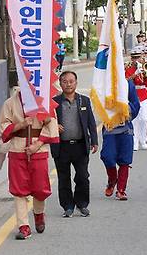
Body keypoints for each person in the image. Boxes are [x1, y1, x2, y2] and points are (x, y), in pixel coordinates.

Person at [0, 91, 59, 240]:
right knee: (19, 190)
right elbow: (4, 125)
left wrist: (37, 144)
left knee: (40, 188)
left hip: (38, 150)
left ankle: (39, 214)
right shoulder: (10, 103)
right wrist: (21, 124)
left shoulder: (44, 101)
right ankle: (23, 226)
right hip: (17, 150)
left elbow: (52, 122)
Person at [51, 71, 99, 217]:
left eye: (71, 81)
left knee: (82, 176)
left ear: (76, 83)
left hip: (80, 145)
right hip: (62, 146)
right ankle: (68, 206)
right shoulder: (54, 102)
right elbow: (45, 120)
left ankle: (82, 204)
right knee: (63, 178)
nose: (68, 84)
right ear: (60, 83)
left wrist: (95, 141)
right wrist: (54, 125)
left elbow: (91, 121)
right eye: (65, 81)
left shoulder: (83, 100)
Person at [100, 79, 140, 201]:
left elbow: (136, 104)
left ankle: (121, 190)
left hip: (125, 128)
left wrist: (126, 108)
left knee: (125, 160)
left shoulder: (128, 84)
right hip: (110, 128)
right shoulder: (103, 83)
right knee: (107, 156)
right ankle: (112, 180)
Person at [125, 46, 147, 151]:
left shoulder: (145, 66)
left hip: (143, 94)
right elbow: (125, 80)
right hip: (133, 95)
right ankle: (135, 142)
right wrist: (134, 74)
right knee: (134, 120)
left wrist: (145, 73)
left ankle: (143, 139)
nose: (136, 60)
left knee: (144, 119)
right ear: (132, 58)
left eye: (138, 57)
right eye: (134, 57)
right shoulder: (128, 68)